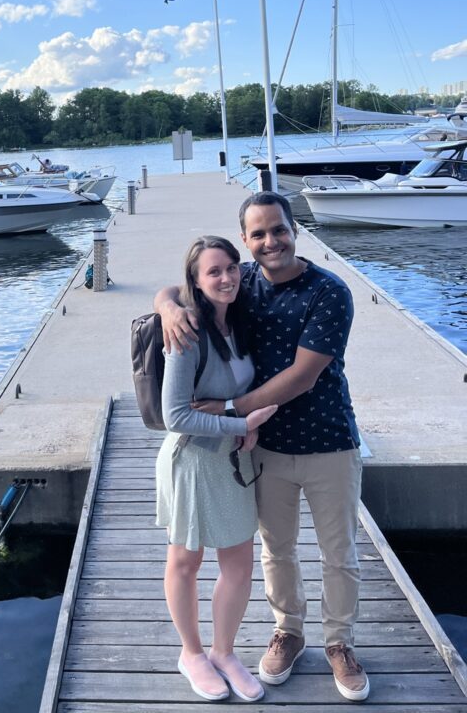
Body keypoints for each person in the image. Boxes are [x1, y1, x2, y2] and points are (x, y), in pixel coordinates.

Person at [155, 191, 369, 703]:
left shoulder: (329, 292)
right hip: (262, 449)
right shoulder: (243, 281)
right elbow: (185, 284)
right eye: (258, 234)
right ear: (247, 241)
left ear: (295, 230)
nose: (270, 241)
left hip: (326, 441)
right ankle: (288, 631)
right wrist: (165, 306)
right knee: (276, 550)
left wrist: (233, 412)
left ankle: (339, 642)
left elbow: (302, 375)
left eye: (279, 230)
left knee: (338, 553)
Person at [156, 234, 277, 703]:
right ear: (196, 280)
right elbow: (175, 416)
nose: (225, 278)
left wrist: (244, 424)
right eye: (213, 271)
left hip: (232, 460)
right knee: (186, 561)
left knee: (239, 564)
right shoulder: (186, 332)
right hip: (192, 460)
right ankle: (191, 654)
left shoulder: (239, 323)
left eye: (231, 267)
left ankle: (224, 652)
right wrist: (239, 420)